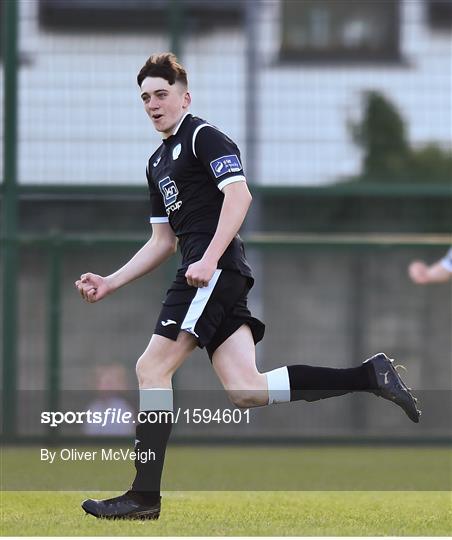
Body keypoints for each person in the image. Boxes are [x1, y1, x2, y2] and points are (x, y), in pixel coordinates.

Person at [75, 53, 420, 521]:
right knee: (247, 390)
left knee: (151, 368)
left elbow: (239, 196)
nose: (153, 104)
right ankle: (368, 376)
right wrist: (111, 281)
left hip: (211, 269)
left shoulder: (202, 136)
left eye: (161, 94)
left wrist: (210, 257)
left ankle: (143, 497)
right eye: (145, 98)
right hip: (208, 269)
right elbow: (162, 240)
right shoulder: (157, 162)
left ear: (184, 96)